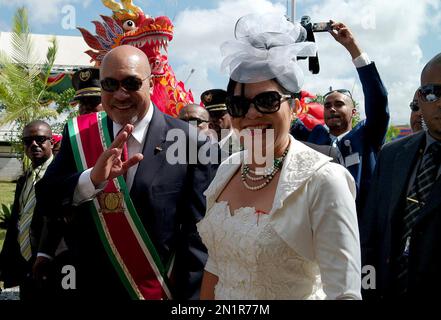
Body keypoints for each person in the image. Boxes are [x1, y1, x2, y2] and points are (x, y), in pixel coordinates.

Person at [197, 13, 361, 300]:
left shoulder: (324, 181)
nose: (251, 114)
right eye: (238, 105)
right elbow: (216, 266)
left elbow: (344, 294)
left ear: (295, 107)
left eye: (267, 101)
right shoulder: (227, 170)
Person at [34, 45, 217, 300]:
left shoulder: (189, 142)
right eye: (109, 84)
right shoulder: (79, 135)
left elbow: (199, 236)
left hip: (159, 292)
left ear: (150, 84)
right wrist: (91, 180)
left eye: (131, 83)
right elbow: (46, 199)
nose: (120, 94)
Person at [361, 53, 441, 299]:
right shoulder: (392, 155)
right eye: (432, 92)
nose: (440, 102)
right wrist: (367, 290)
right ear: (419, 97)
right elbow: (370, 237)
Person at [292, 21, 389, 214]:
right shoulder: (315, 137)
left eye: (339, 104)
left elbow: (378, 99)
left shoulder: (366, 135)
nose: (332, 109)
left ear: (353, 112)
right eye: (327, 105)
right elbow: (283, 113)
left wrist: (352, 47)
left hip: (361, 232)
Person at [0, 120, 54, 300]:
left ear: (51, 142)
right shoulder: (25, 178)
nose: (34, 145)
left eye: (40, 139)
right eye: (27, 141)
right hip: (25, 262)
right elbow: (18, 218)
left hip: (52, 261)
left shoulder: (60, 175)